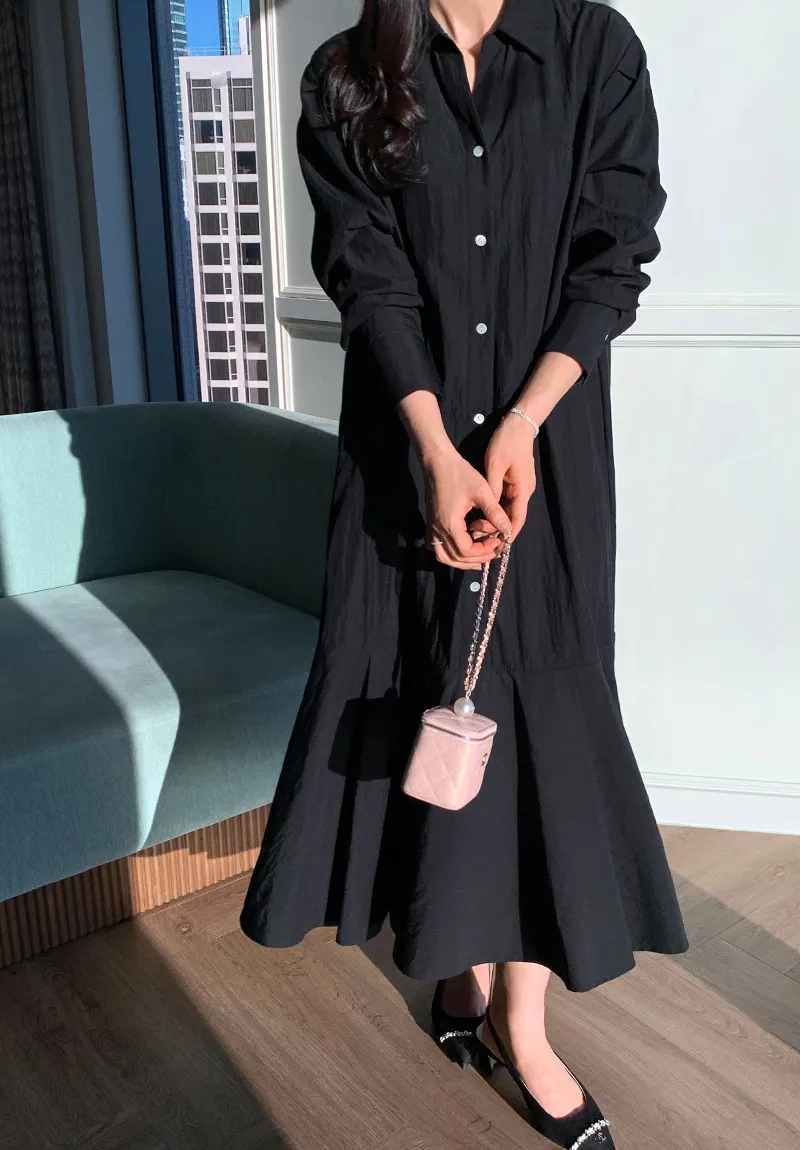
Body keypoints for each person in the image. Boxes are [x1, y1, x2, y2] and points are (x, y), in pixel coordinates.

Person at [240, 1, 689, 1145]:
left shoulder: (593, 48)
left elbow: (613, 254)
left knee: (537, 728)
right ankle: (454, 959)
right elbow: (366, 274)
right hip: (406, 456)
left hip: (546, 460)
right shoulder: (346, 72)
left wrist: (520, 424)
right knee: (425, 701)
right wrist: (437, 451)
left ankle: (518, 1027)